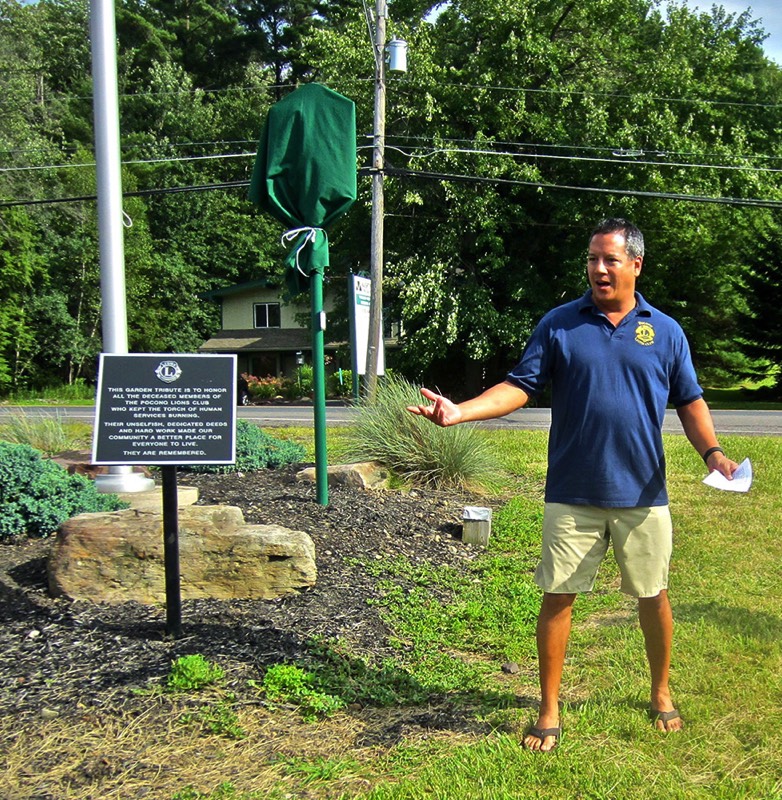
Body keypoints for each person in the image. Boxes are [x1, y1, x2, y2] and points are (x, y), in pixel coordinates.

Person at [407, 218, 737, 752]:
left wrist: (714, 453)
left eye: (609, 259)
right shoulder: (560, 324)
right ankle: (549, 706)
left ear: (635, 264)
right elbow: (520, 385)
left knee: (653, 595)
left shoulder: (666, 330)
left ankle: (660, 691)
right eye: (591, 258)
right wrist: (460, 411)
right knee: (558, 596)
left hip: (643, 493)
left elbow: (689, 400)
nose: (599, 269)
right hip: (572, 491)